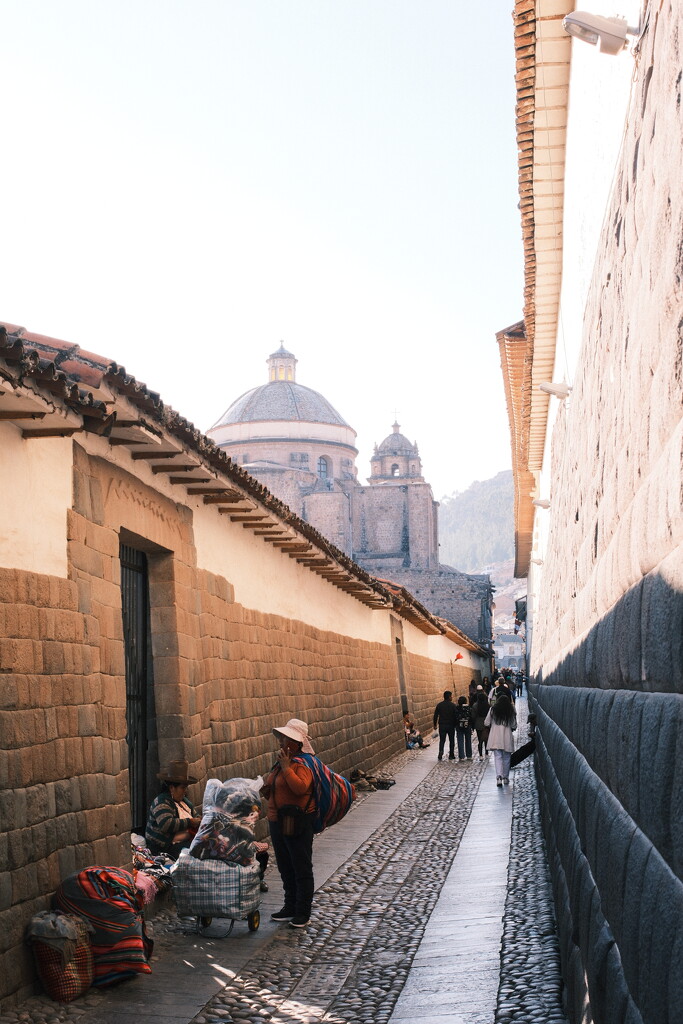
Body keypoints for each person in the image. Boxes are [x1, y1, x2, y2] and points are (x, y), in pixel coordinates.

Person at [262, 718, 316, 928]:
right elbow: (274, 787)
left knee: (301, 866)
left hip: (298, 823)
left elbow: (300, 788)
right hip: (278, 822)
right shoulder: (282, 763)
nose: (280, 742)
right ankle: (289, 906)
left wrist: (286, 768)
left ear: (294, 742)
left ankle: (302, 911)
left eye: (284, 738)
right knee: (285, 866)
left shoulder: (303, 764)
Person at [145, 759, 201, 859]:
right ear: (172, 788)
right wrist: (191, 822)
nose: (185, 791)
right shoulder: (161, 802)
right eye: (183, 788)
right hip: (165, 848)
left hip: (183, 842)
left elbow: (195, 815)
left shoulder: (184, 802)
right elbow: (166, 824)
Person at [484, 695, 517, 786]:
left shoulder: (493, 709)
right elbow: (514, 724)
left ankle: (499, 777)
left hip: (495, 735)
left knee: (497, 757)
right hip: (506, 735)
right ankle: (506, 777)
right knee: (507, 757)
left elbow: (486, 722)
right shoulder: (510, 710)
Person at [433, 690, 458, 761]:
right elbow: (456, 716)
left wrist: (435, 724)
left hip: (442, 725)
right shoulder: (453, 705)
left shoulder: (439, 705)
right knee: (451, 740)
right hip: (451, 725)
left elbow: (435, 716)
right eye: (451, 696)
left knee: (442, 740)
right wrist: (456, 725)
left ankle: (441, 752)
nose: (452, 697)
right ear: (449, 697)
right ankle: (451, 754)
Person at [470, 686, 490, 759]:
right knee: (486, 739)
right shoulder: (487, 705)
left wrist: (473, 725)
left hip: (478, 724)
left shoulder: (475, 705)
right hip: (486, 724)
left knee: (480, 740)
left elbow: (473, 716)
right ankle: (487, 753)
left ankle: (481, 755)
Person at [455, 696, 473, 760]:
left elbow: (455, 717)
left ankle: (461, 756)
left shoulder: (457, 708)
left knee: (460, 741)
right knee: (468, 740)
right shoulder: (468, 708)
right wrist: (472, 726)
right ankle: (469, 755)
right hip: (467, 725)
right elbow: (471, 717)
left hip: (459, 726)